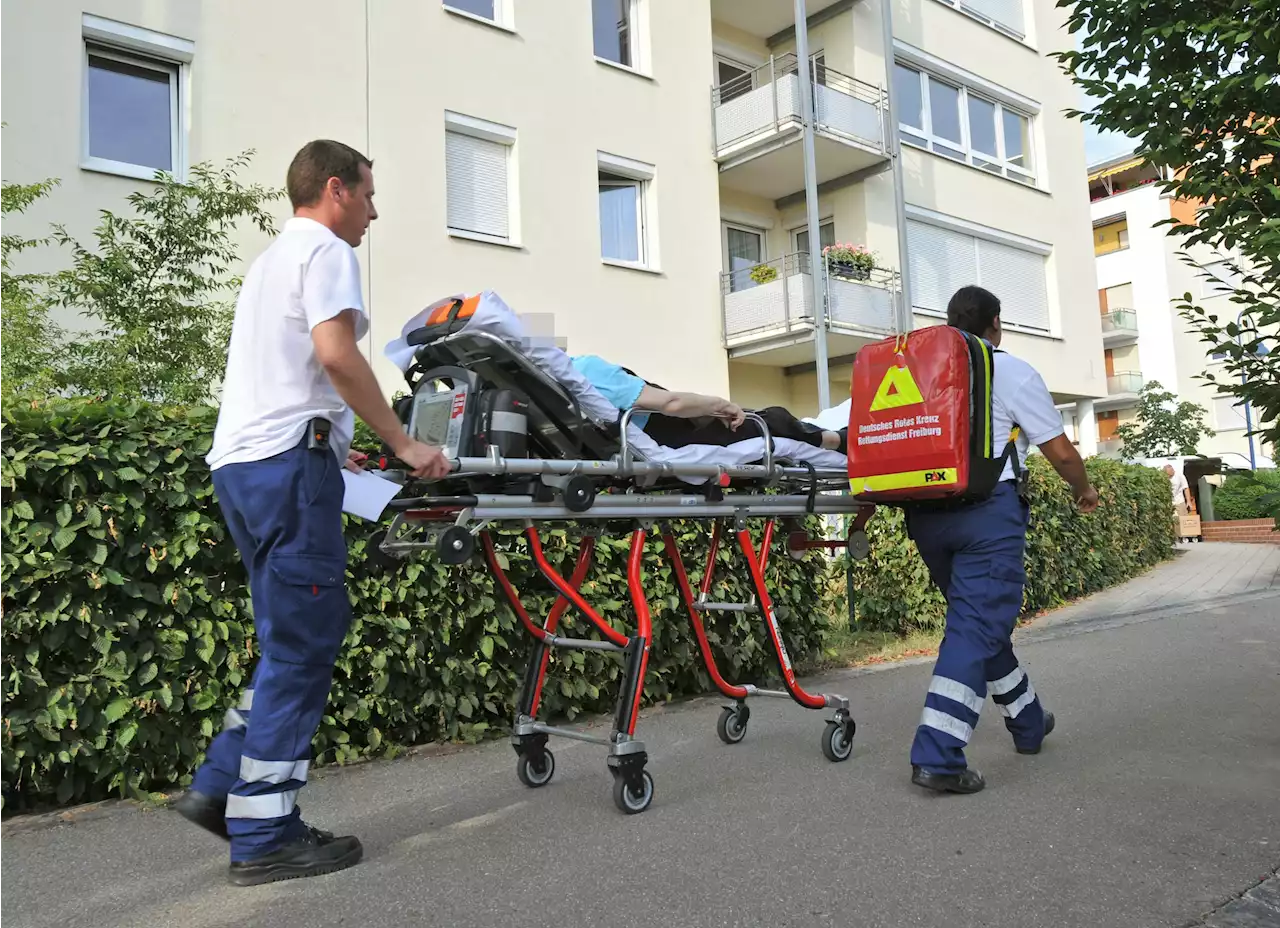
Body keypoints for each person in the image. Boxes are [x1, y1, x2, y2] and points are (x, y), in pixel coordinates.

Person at [173, 140, 449, 886]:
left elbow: (292, 378)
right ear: (335, 190)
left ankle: (224, 788)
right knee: (306, 641)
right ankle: (264, 835)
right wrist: (403, 441)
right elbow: (335, 354)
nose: (374, 210)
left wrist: (334, 445)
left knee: (286, 635)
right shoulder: (325, 250)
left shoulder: (268, 265)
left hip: (249, 466)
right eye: (367, 193)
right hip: (287, 470)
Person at [905, 285, 1099, 795]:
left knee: (980, 623)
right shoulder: (1008, 369)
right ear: (996, 324)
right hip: (985, 516)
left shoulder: (920, 371)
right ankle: (940, 756)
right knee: (974, 629)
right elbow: (1059, 452)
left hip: (925, 518)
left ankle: (1029, 721)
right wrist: (1085, 489)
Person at [569, 354, 846, 452]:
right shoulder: (585, 370)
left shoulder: (550, 392)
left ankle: (824, 435)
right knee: (771, 420)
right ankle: (838, 442)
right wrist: (720, 405)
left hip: (650, 441)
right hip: (676, 438)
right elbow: (671, 403)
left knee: (766, 420)